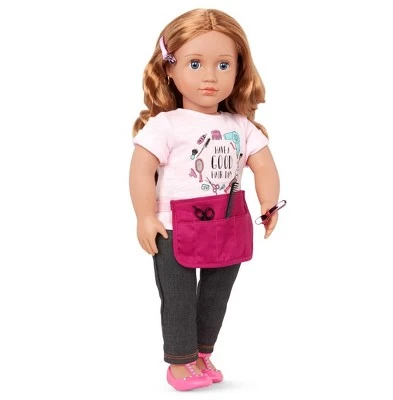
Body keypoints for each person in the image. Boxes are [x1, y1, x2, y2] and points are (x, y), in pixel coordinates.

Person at [129, 8, 280, 391]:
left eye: (223, 65)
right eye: (195, 64)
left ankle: (201, 353)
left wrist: (269, 203)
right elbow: (141, 170)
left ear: (239, 69)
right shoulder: (165, 125)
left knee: (216, 294)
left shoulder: (241, 126)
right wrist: (145, 216)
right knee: (178, 297)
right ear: (168, 68)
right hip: (173, 226)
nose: (210, 76)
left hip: (228, 223)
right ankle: (180, 362)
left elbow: (264, 165)